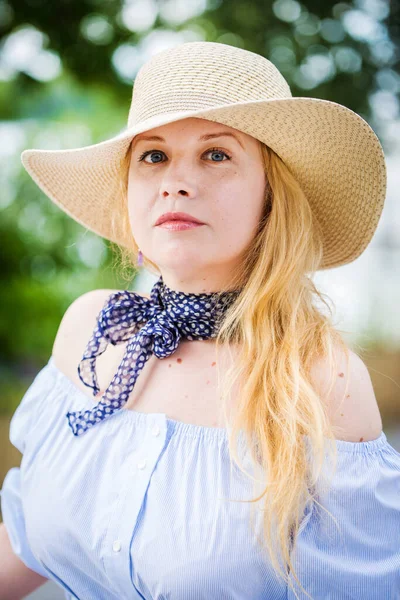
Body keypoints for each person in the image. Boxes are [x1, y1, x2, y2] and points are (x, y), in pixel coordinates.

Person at [0, 40, 399, 600]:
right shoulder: (93, 328)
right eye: (153, 155)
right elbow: (25, 542)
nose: (175, 181)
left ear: (270, 198)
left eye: (217, 154)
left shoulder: (321, 380)